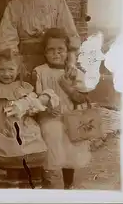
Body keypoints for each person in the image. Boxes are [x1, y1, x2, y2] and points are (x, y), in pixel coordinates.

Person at [0, 49, 53, 189]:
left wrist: (30, 108)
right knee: (9, 145)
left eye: (11, 69)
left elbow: (31, 107)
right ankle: (13, 179)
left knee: (32, 143)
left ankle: (29, 179)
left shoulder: (23, 87)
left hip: (22, 125)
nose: (6, 74)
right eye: (2, 70)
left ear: (18, 70)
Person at [0, 0, 81, 81]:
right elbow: (7, 42)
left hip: (55, 64)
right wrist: (17, 68)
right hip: (25, 65)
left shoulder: (58, 4)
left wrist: (71, 62)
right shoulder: (14, 7)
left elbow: (70, 38)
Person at [32, 28, 93, 189]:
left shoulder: (75, 73)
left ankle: (68, 184)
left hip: (70, 117)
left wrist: (69, 87)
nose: (56, 54)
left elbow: (82, 98)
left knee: (70, 149)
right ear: (44, 52)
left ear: (67, 52)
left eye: (60, 50)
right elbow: (35, 97)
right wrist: (44, 109)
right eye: (50, 50)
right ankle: (47, 182)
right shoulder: (40, 72)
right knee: (51, 136)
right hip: (49, 117)